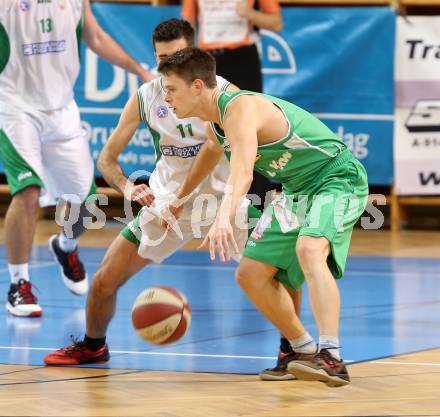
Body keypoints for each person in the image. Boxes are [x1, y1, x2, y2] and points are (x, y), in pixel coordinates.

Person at [43, 18, 265, 365]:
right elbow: (107, 158)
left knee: (276, 270)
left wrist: (180, 200)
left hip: (220, 201)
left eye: (175, 56)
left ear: (193, 54)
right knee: (103, 281)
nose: (167, 66)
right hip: (166, 203)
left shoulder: (223, 94)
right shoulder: (146, 97)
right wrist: (129, 186)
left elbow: (214, 148)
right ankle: (93, 344)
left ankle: (293, 348)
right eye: (161, 58)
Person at [157, 47, 369, 386]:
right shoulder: (215, 122)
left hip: (335, 176)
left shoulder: (239, 109)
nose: (165, 98)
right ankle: (302, 349)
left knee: (309, 248)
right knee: (251, 274)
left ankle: (332, 357)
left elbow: (241, 174)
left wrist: (225, 217)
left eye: (171, 89)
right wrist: (180, 198)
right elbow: (211, 153)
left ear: (197, 86)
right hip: (297, 188)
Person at [0, 0, 154, 317]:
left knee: (87, 204)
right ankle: (19, 284)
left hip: (62, 110)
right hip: (15, 108)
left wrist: (139, 70)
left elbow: (95, 38)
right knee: (26, 190)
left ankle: (65, 246)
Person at [182, 0, 283, 214]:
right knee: (213, 132)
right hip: (207, 60)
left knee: (253, 131)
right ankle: (214, 207)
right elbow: (187, 24)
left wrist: (249, 14)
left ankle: (259, 208)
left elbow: (276, 23)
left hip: (242, 58)